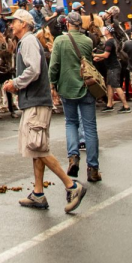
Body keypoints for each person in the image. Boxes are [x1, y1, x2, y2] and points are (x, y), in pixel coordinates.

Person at [3, 9, 86, 212]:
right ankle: (38, 193)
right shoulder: (27, 42)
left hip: (36, 103)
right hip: (35, 101)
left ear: (23, 24)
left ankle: (72, 186)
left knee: (38, 148)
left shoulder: (28, 41)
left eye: (14, 21)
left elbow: (34, 70)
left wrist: (15, 83)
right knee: (36, 148)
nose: (11, 25)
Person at [49, 11, 101, 183]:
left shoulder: (59, 41)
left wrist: (52, 84)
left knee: (71, 123)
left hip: (67, 87)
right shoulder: (87, 41)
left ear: (67, 24)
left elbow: (54, 65)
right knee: (90, 127)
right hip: (86, 87)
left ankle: (73, 158)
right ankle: (93, 168)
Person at [93, 25, 130, 112]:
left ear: (108, 32)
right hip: (112, 66)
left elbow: (106, 55)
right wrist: (99, 58)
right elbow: (110, 55)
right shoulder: (113, 41)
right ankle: (109, 104)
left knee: (116, 85)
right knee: (109, 85)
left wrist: (94, 54)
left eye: (105, 30)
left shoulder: (109, 42)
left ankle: (126, 105)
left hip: (113, 67)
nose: (104, 31)